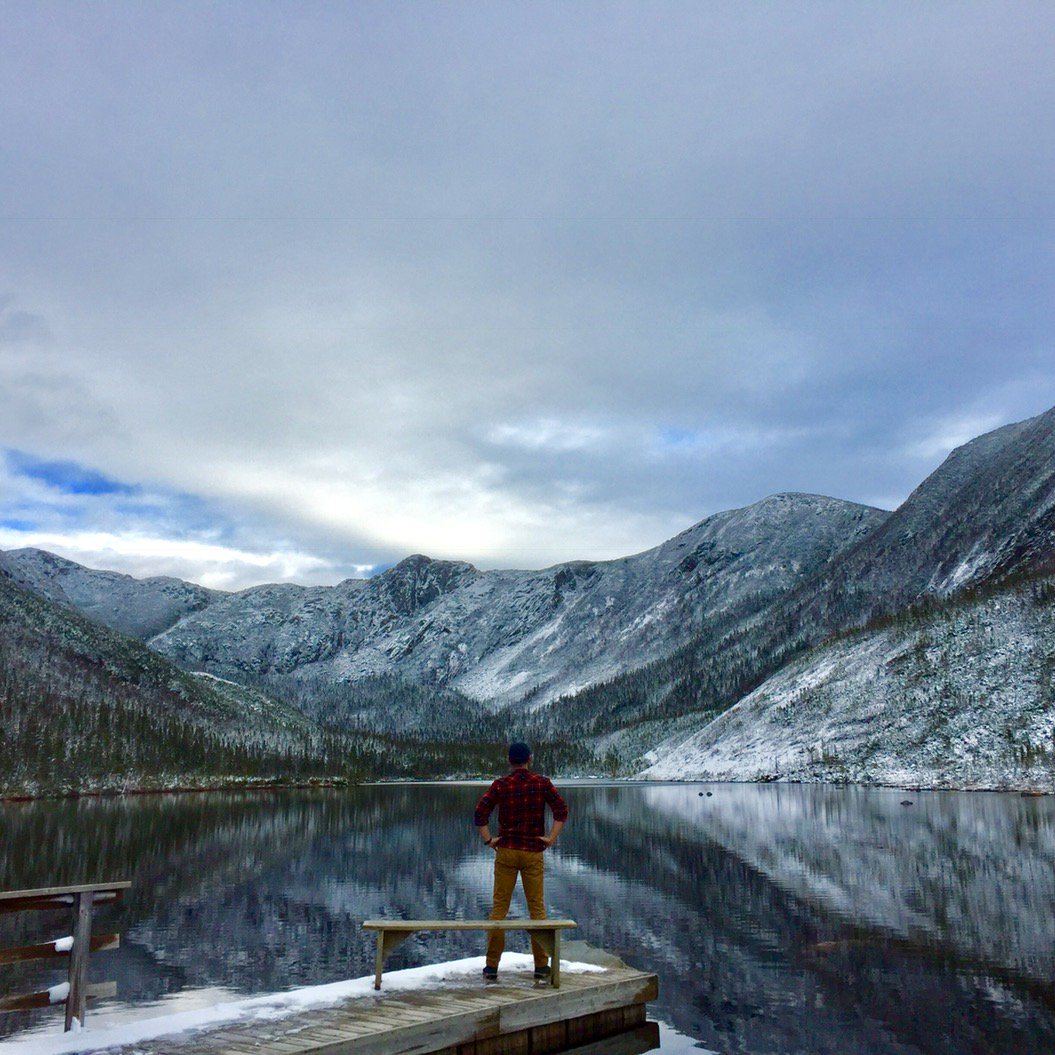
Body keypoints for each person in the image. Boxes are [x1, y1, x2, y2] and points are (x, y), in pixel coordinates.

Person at [473, 741, 569, 982]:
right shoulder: (542, 783)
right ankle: (541, 966)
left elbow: (480, 813)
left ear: (509, 760)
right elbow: (561, 811)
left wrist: (489, 840)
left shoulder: (501, 785)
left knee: (499, 909)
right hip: (533, 852)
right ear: (529, 759)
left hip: (506, 851)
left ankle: (491, 966)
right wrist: (551, 838)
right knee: (537, 909)